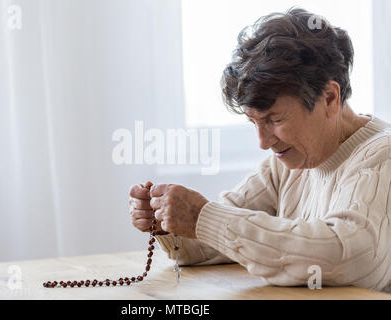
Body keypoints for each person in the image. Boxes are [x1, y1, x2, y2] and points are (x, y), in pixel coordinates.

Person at [129, 7, 391, 292]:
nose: (263, 142)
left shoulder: (382, 156)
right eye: (253, 121)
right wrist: (170, 220)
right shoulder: (287, 164)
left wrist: (202, 216)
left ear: (329, 98)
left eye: (274, 119)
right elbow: (217, 239)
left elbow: (344, 258)